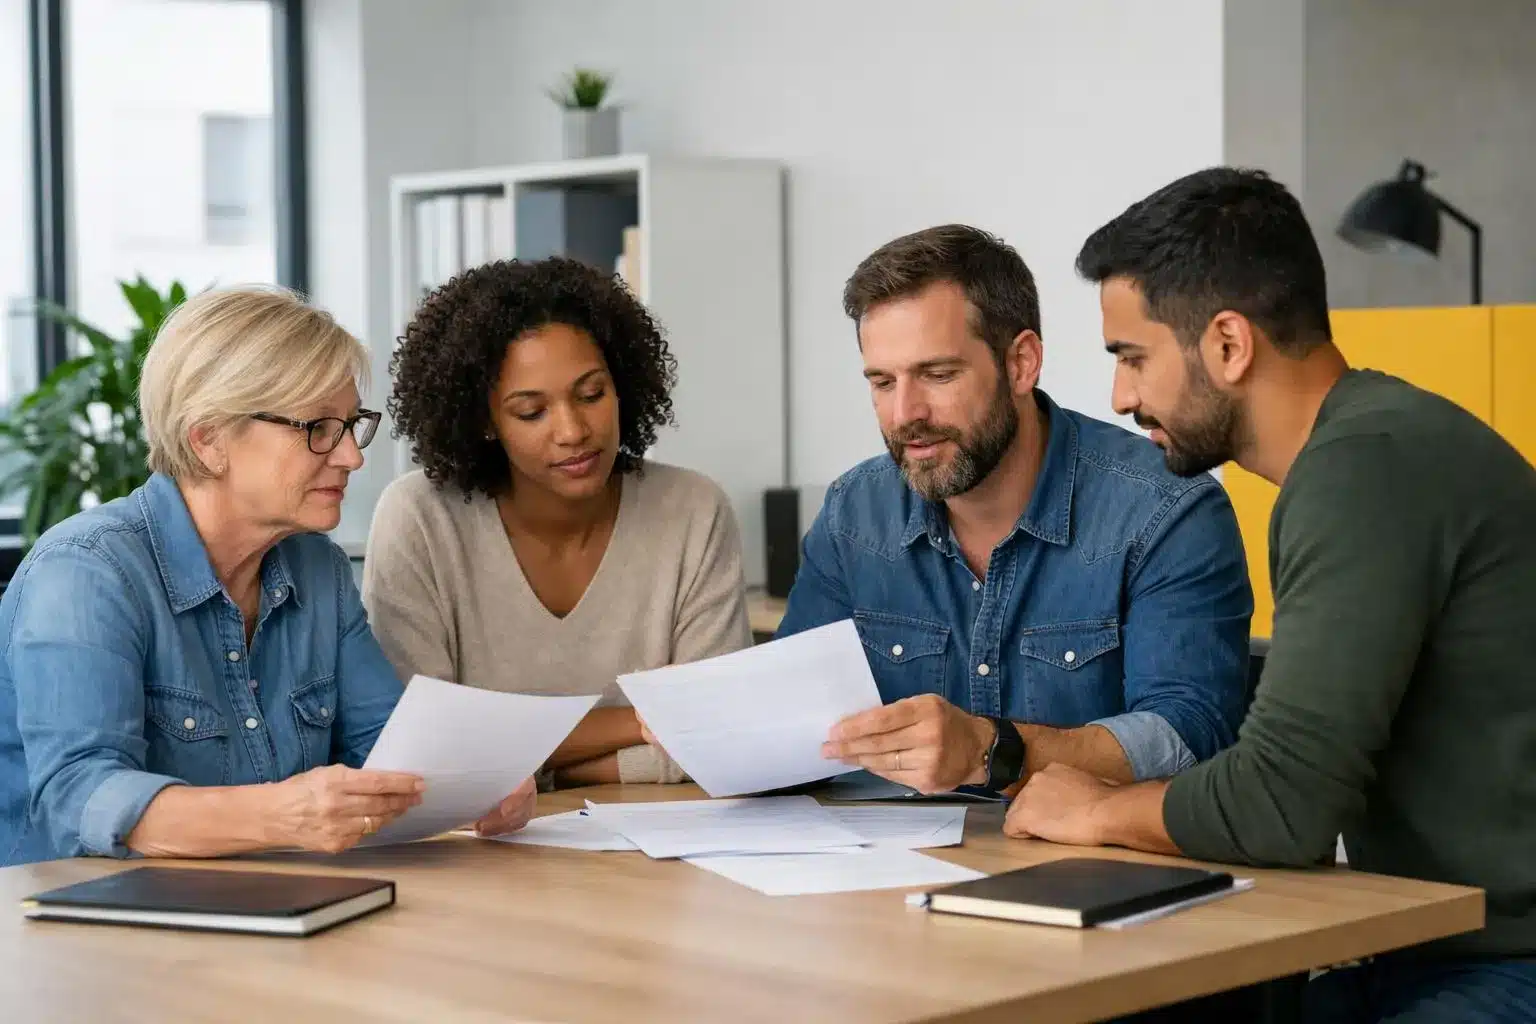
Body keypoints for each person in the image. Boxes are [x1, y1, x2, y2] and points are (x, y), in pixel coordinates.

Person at [1007, 167, 1536, 1019]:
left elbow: (1283, 803)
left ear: (1227, 343)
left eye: (1133, 357)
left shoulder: (1362, 472)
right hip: (1429, 944)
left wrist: (1097, 809)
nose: (1120, 396)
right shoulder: (1369, 447)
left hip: (1503, 964)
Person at [0, 286, 535, 867]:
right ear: (208, 440)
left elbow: (386, 748)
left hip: (266, 909)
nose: (351, 457)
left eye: (352, 425)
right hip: (76, 926)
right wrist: (281, 814)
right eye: (317, 429)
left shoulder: (318, 570)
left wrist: (473, 785)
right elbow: (79, 800)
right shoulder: (86, 572)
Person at [779, 225, 1252, 798]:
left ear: (1022, 363)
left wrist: (992, 750)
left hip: (1085, 868)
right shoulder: (854, 513)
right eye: (882, 381)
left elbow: (1188, 735)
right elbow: (788, 717)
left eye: (938, 374)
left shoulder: (1165, 510)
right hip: (888, 865)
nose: (905, 414)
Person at [365, 257, 751, 788]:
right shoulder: (421, 520)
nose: (573, 431)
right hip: (478, 859)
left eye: (592, 395)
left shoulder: (692, 509)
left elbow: (726, 738)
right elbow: (425, 751)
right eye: (531, 412)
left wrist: (539, 772)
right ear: (482, 422)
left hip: (668, 855)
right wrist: (642, 724)